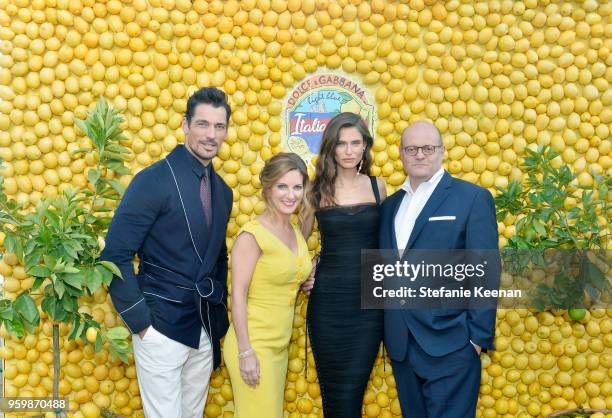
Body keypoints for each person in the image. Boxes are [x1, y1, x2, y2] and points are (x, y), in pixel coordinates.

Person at [102, 87, 233, 418]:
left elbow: (218, 258)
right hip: (160, 326)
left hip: (203, 330)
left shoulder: (223, 191)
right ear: (185, 125)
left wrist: (217, 320)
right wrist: (142, 324)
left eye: (219, 126)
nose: (211, 135)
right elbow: (114, 255)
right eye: (203, 124)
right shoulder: (152, 181)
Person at [379, 120, 499, 418]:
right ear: (401, 154)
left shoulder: (471, 198)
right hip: (402, 345)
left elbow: (484, 269)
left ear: (442, 151)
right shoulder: (391, 206)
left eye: (428, 148)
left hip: (452, 343)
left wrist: (476, 339)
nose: (420, 154)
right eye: (412, 148)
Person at [300, 112, 386, 417]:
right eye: (341, 143)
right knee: (334, 397)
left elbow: (388, 244)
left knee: (353, 392)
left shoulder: (379, 187)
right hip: (328, 304)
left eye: (356, 143)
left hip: (368, 308)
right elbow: (296, 242)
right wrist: (309, 263)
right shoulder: (315, 190)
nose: (349, 150)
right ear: (330, 148)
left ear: (365, 146)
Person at [223, 153, 312, 418]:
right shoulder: (252, 235)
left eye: (297, 187)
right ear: (268, 189)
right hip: (254, 345)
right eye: (282, 186)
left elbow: (294, 266)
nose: (290, 195)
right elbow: (237, 296)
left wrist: (311, 272)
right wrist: (245, 352)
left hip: (279, 346)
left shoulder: (294, 230)